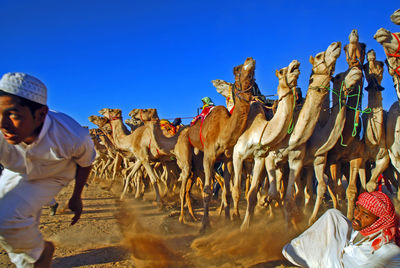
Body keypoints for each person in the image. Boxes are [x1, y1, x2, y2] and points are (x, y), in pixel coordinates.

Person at [0, 72, 96, 268]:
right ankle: (31, 260)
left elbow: (86, 163)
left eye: (14, 115)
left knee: (6, 218)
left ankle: (40, 253)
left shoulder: (72, 134)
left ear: (41, 114)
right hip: (15, 169)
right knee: (13, 220)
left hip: (52, 173)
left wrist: (76, 197)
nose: (3, 123)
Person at [282, 191, 400, 267]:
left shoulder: (389, 251)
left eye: (366, 215)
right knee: (333, 215)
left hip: (335, 264)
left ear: (379, 221)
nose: (357, 216)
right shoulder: (362, 231)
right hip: (340, 254)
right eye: (357, 209)